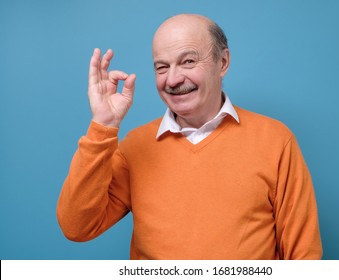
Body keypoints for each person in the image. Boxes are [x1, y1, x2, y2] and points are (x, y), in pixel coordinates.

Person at [57, 13, 322, 260]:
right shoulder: (135, 148)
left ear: (223, 62)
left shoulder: (275, 140)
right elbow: (77, 227)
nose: (172, 79)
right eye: (161, 67)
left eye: (188, 61)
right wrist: (103, 125)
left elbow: (303, 256)